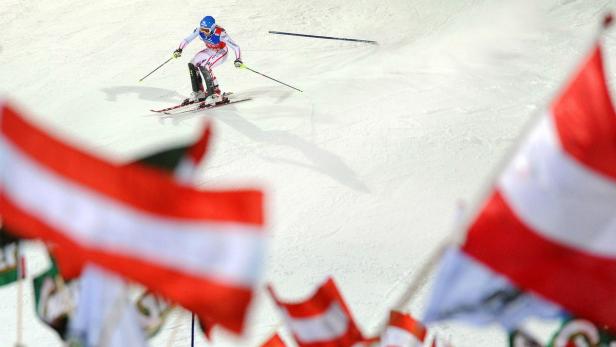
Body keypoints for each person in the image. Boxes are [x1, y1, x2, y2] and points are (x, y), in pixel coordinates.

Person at [172, 15, 242, 106]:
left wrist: (238, 59)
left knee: (205, 66)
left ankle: (215, 93)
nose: (204, 32)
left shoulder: (220, 33)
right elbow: (187, 39)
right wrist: (179, 49)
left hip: (221, 52)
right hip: (210, 50)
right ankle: (198, 92)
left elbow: (235, 47)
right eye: (202, 29)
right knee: (192, 63)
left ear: (212, 28)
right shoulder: (199, 30)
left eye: (206, 30)